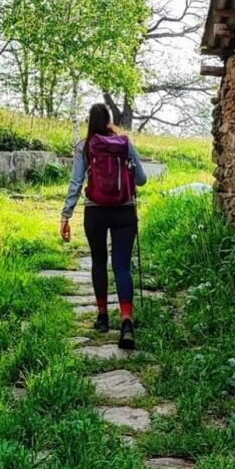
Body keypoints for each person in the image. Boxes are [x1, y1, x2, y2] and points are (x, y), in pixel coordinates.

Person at [60, 102, 148, 350]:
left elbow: (76, 183)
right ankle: (127, 322)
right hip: (124, 211)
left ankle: (101, 317)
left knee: (99, 261)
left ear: (89, 120)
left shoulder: (85, 146)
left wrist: (66, 215)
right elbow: (141, 180)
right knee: (122, 266)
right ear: (110, 119)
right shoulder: (125, 143)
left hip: (95, 212)